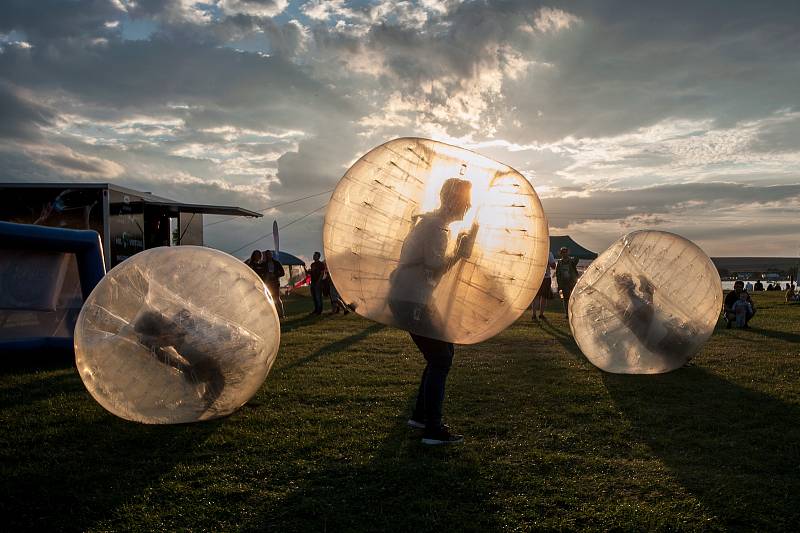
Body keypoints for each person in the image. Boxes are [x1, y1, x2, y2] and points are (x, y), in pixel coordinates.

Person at [389, 177, 476, 445]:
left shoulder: (430, 223)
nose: (469, 205)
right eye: (466, 200)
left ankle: (420, 416)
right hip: (412, 300)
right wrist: (460, 253)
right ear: (455, 201)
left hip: (412, 298)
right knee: (440, 358)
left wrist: (459, 248)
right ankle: (433, 429)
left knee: (442, 352)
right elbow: (435, 268)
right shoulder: (436, 228)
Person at [555, 247, 580, 318]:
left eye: (565, 252)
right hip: (564, 283)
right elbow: (558, 274)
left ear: (567, 252)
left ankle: (574, 313)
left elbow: (577, 259)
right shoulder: (559, 262)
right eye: (563, 252)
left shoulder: (571, 261)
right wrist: (559, 284)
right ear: (561, 253)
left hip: (572, 282)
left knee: (573, 298)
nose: (564, 253)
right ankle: (567, 314)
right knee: (566, 299)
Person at [531, 251, 556, 320]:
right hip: (537, 278)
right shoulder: (535, 251)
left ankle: (540, 314)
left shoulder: (549, 253)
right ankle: (534, 314)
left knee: (544, 297)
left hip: (545, 278)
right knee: (536, 296)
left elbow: (553, 266)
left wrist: (548, 263)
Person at [263, 250, 286, 318]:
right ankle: (274, 314)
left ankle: (282, 314)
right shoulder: (264, 264)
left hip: (275, 282)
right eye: (267, 254)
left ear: (272, 255)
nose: (268, 256)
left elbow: (282, 273)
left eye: (270, 254)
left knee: (277, 298)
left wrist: (275, 275)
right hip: (268, 283)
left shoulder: (276, 263)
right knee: (270, 298)